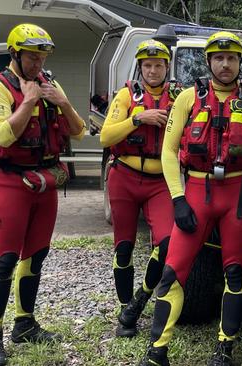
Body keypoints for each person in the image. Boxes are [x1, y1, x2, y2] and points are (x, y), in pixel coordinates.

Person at [137, 31, 242, 366]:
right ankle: (157, 351)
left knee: (234, 272)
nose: (226, 64)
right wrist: (177, 198)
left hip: (239, 194)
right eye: (219, 58)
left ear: (240, 62)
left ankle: (224, 348)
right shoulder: (188, 98)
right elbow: (168, 151)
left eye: (232, 58)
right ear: (209, 61)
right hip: (198, 191)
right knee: (173, 270)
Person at [0, 23, 86, 365]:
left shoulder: (50, 84)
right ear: (15, 55)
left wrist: (63, 101)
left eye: (42, 56)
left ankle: (24, 323)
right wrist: (30, 101)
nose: (38, 63)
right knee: (5, 259)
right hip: (7, 180)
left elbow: (79, 131)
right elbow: (4, 136)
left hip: (43, 180)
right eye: (32, 57)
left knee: (35, 255)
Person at [100, 40, 181, 338]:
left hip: (160, 182)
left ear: (167, 66)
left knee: (167, 243)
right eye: (147, 65)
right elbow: (106, 137)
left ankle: (139, 299)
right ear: (140, 67)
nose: (153, 70)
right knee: (124, 247)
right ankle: (125, 311)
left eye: (159, 64)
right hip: (124, 176)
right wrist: (138, 118)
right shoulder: (126, 95)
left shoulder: (179, 96)